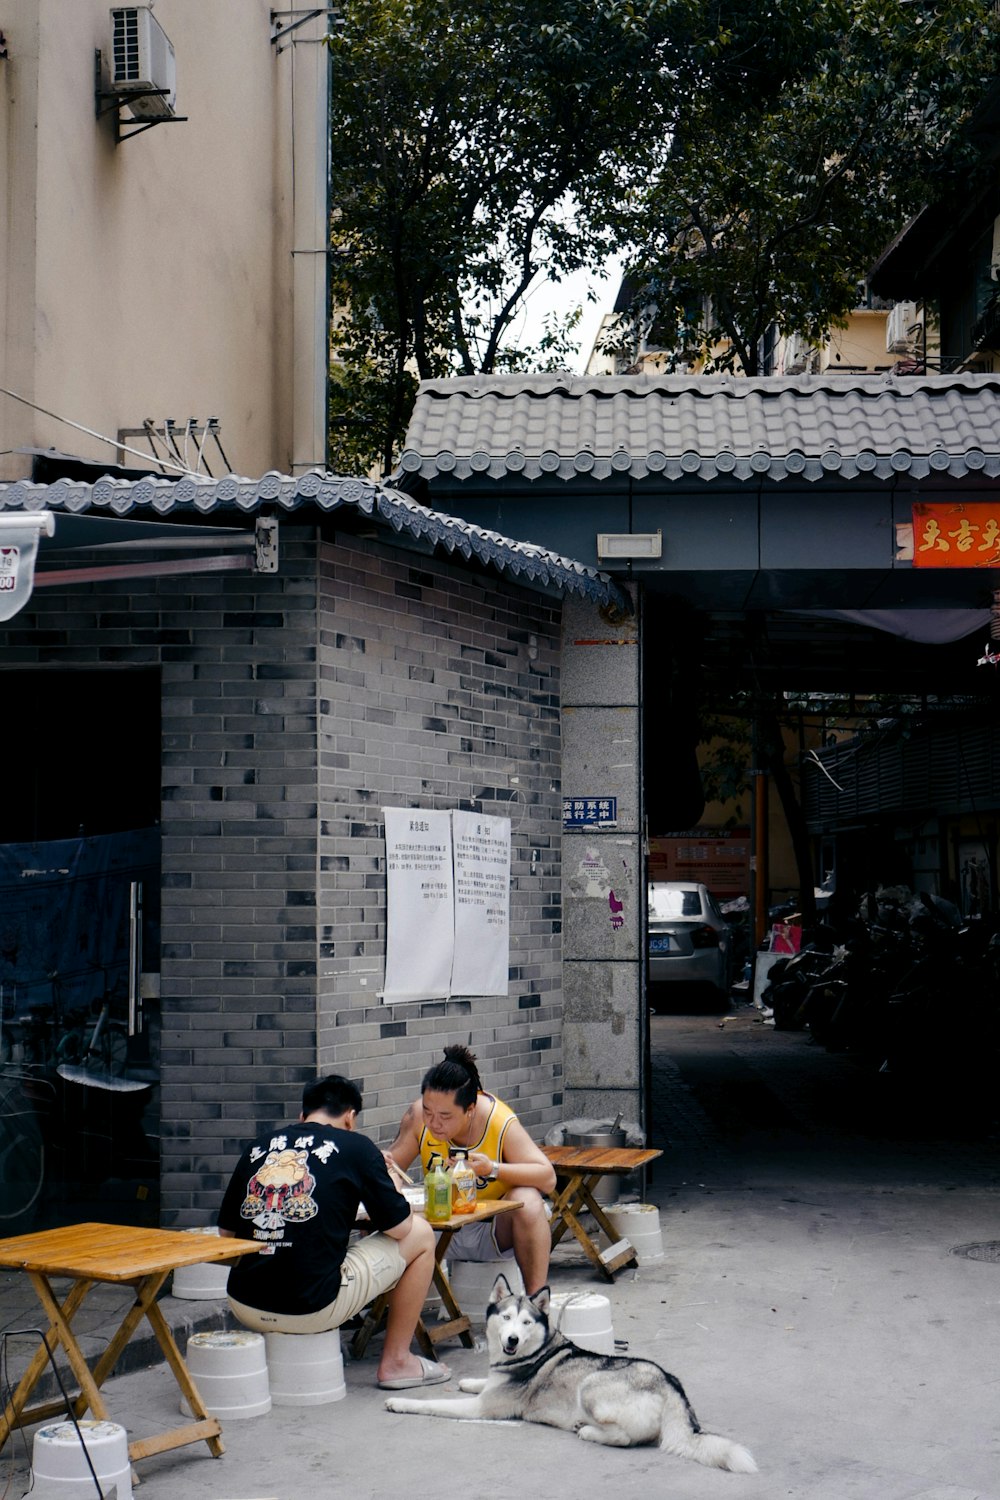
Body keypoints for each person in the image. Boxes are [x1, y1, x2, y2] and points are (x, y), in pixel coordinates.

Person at [218, 1074, 449, 1390]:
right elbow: (400, 1227)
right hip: (312, 1306)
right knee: (421, 1234)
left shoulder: (258, 1147)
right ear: (351, 1117)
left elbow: (226, 1236)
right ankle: (397, 1361)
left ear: (302, 1115)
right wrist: (388, 1178)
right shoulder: (357, 1147)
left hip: (243, 1302)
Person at [384, 1044, 557, 1295]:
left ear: (470, 1110)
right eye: (428, 1112)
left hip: (492, 1230)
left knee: (528, 1201)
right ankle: (382, 1308)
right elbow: (391, 1167)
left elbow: (548, 1178)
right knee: (379, 1198)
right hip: (435, 1227)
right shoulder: (418, 1118)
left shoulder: (497, 1120)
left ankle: (535, 1303)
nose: (434, 1123)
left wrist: (493, 1169)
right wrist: (391, 1178)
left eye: (445, 1116)